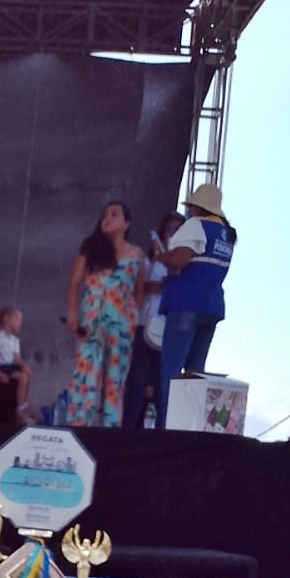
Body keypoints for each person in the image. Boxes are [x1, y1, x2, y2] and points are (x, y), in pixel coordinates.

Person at [157, 182, 237, 428]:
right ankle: (189, 428)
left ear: (197, 207)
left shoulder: (195, 225)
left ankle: (166, 427)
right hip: (212, 306)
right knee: (195, 372)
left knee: (171, 369)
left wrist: (160, 255)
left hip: (186, 302)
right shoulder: (227, 234)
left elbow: (180, 261)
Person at [64, 200, 143, 428]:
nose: (107, 219)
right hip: (92, 319)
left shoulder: (136, 254)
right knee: (86, 371)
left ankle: (110, 428)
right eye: (105, 215)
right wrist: (73, 312)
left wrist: (131, 313)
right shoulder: (91, 248)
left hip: (122, 323)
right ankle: (79, 425)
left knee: (116, 377)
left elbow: (139, 289)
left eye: (114, 214)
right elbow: (74, 282)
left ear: (126, 223)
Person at [122, 211, 184, 429]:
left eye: (179, 230)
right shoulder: (149, 259)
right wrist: (150, 286)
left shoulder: (185, 263)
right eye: (170, 229)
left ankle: (160, 433)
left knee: (162, 386)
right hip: (145, 326)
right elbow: (134, 288)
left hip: (170, 331)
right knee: (137, 384)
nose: (174, 234)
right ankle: (127, 431)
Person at [0, 306, 36, 424]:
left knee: (28, 374)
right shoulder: (0, 336)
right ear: (7, 319)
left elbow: (17, 360)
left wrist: (24, 365)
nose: (20, 323)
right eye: (17, 319)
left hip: (11, 367)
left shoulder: (15, 340)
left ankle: (24, 406)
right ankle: (19, 412)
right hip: (2, 368)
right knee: (22, 377)